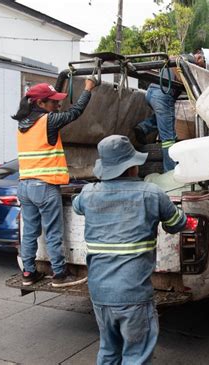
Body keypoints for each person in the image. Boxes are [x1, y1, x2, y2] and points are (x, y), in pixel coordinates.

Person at [72, 135, 187, 364]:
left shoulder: (88, 194)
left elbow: (77, 206)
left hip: (99, 293)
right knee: (136, 355)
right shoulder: (151, 193)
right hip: (133, 294)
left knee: (108, 350)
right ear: (133, 167)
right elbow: (177, 223)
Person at [13, 79, 96, 287]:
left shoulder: (22, 125)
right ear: (40, 103)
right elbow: (75, 113)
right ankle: (60, 274)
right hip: (44, 187)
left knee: (30, 231)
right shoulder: (47, 121)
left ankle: (28, 273)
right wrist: (88, 89)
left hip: (24, 186)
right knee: (53, 232)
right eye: (53, 102)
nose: (57, 106)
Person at [134, 48, 209, 172]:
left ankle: (144, 127)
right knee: (168, 138)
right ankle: (170, 172)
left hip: (151, 92)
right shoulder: (188, 61)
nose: (201, 68)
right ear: (200, 58)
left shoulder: (183, 59)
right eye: (203, 65)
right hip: (163, 96)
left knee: (163, 120)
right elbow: (175, 63)